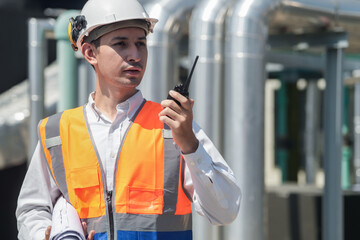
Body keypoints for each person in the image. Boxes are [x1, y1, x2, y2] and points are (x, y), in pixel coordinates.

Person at [16, 0, 241, 239]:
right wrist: (45, 235)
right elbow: (32, 209)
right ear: (90, 53)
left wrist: (191, 146)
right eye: (121, 44)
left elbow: (225, 212)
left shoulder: (174, 127)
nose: (135, 55)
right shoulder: (57, 132)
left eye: (140, 44)